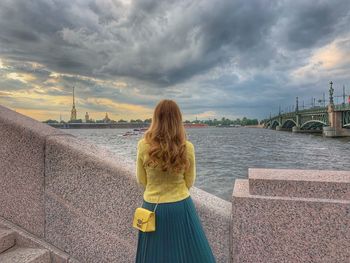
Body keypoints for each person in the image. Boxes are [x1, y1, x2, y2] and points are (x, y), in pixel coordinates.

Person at [135, 99, 216, 263]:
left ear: (156, 118)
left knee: (153, 256)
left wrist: (155, 188)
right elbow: (189, 181)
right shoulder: (187, 147)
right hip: (181, 206)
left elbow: (141, 179)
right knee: (190, 255)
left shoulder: (143, 146)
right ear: (178, 120)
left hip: (152, 208)